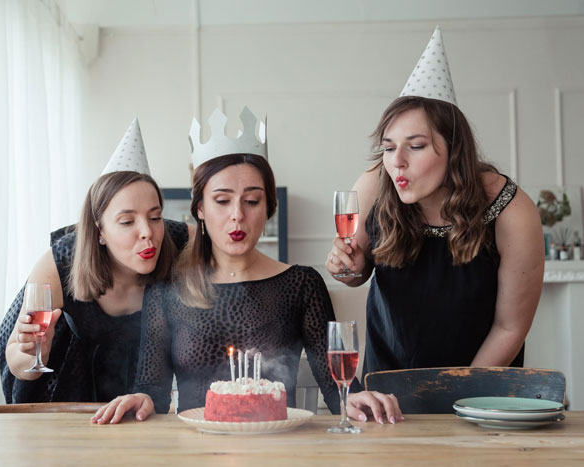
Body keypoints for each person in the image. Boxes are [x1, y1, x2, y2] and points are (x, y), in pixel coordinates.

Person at [91, 107, 402, 425]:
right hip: (194, 452)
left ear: (269, 208)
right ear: (199, 208)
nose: (237, 215)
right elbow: (151, 393)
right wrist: (139, 398)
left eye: (252, 201)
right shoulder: (166, 289)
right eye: (222, 201)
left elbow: (338, 390)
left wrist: (356, 397)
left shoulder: (302, 284)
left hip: (278, 450)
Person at [326, 27, 544, 387]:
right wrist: (345, 266)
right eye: (389, 146)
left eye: (416, 146)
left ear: (455, 149)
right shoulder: (375, 182)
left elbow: (510, 327)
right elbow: (356, 273)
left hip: (479, 391)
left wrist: (457, 391)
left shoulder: (511, 209)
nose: (397, 162)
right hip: (387, 383)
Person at [0, 120, 190, 403]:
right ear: (99, 230)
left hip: (145, 393)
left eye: (155, 216)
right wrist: (30, 353)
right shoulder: (61, 262)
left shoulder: (179, 240)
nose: (148, 232)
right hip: (67, 383)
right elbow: (19, 364)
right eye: (127, 221)